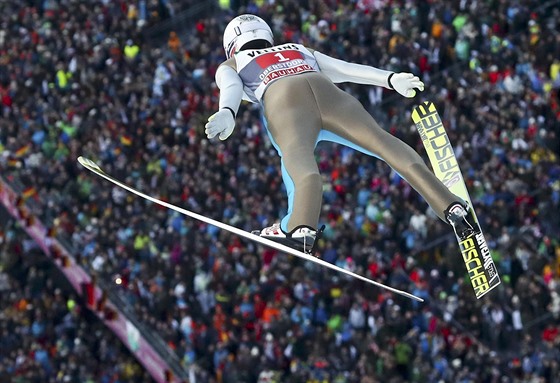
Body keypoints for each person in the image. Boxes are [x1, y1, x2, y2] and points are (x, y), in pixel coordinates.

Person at [205, 14, 474, 253]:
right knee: (383, 143)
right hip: (331, 95)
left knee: (298, 158)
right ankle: (450, 205)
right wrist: (390, 79)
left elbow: (230, 87)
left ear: (231, 44)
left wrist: (228, 112)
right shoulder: (297, 48)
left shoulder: (233, 62)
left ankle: (299, 226)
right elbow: (345, 69)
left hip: (285, 100)